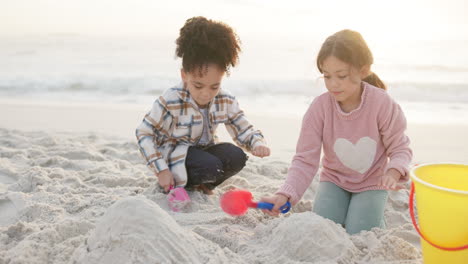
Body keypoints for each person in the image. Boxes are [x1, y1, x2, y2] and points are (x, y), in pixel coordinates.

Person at [261, 29, 412, 234]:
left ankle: (373, 216)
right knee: (323, 227)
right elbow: (305, 159)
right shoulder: (319, 108)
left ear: (363, 70)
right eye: (327, 76)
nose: (333, 84)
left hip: (372, 182)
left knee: (359, 231)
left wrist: (393, 171)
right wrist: (285, 194)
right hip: (334, 181)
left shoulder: (382, 103)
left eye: (341, 76)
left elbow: (400, 146)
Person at [135, 16, 270, 208]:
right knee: (210, 166)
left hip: (204, 152)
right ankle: (178, 184)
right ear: (184, 75)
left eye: (214, 86)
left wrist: (257, 142)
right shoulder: (171, 100)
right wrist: (161, 169)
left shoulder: (224, 99)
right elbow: (144, 133)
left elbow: (242, 127)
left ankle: (201, 184)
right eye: (198, 86)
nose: (206, 94)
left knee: (236, 156)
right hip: (176, 156)